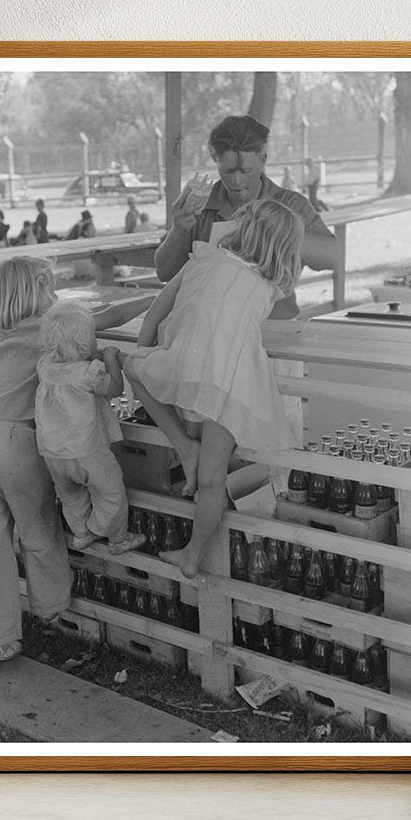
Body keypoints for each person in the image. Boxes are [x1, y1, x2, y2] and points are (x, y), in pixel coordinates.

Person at [0, 258, 154, 675]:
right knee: (39, 531)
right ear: (38, 292)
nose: (56, 298)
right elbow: (101, 317)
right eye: (50, 289)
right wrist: (153, 299)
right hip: (18, 444)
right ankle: (51, 611)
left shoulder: (2, 331)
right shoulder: (49, 329)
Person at [123, 199, 302, 578]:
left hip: (186, 364)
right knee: (212, 479)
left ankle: (185, 447)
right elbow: (285, 312)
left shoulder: (202, 258)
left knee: (132, 369)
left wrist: (145, 348)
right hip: (231, 384)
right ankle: (194, 554)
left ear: (243, 228)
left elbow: (157, 310)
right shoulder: (268, 288)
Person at [154, 115, 337, 320]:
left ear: (263, 159)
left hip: (273, 325)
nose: (236, 181)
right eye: (228, 171)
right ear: (216, 160)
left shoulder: (292, 205)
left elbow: (333, 258)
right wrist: (179, 231)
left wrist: (284, 233)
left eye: (245, 170)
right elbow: (165, 273)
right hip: (208, 325)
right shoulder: (202, 205)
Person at [35, 301, 148, 556]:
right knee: (110, 491)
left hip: (53, 453)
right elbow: (115, 389)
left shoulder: (44, 367)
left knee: (70, 495)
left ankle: (82, 533)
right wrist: (109, 358)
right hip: (87, 451)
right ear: (85, 343)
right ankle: (117, 537)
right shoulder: (89, 373)